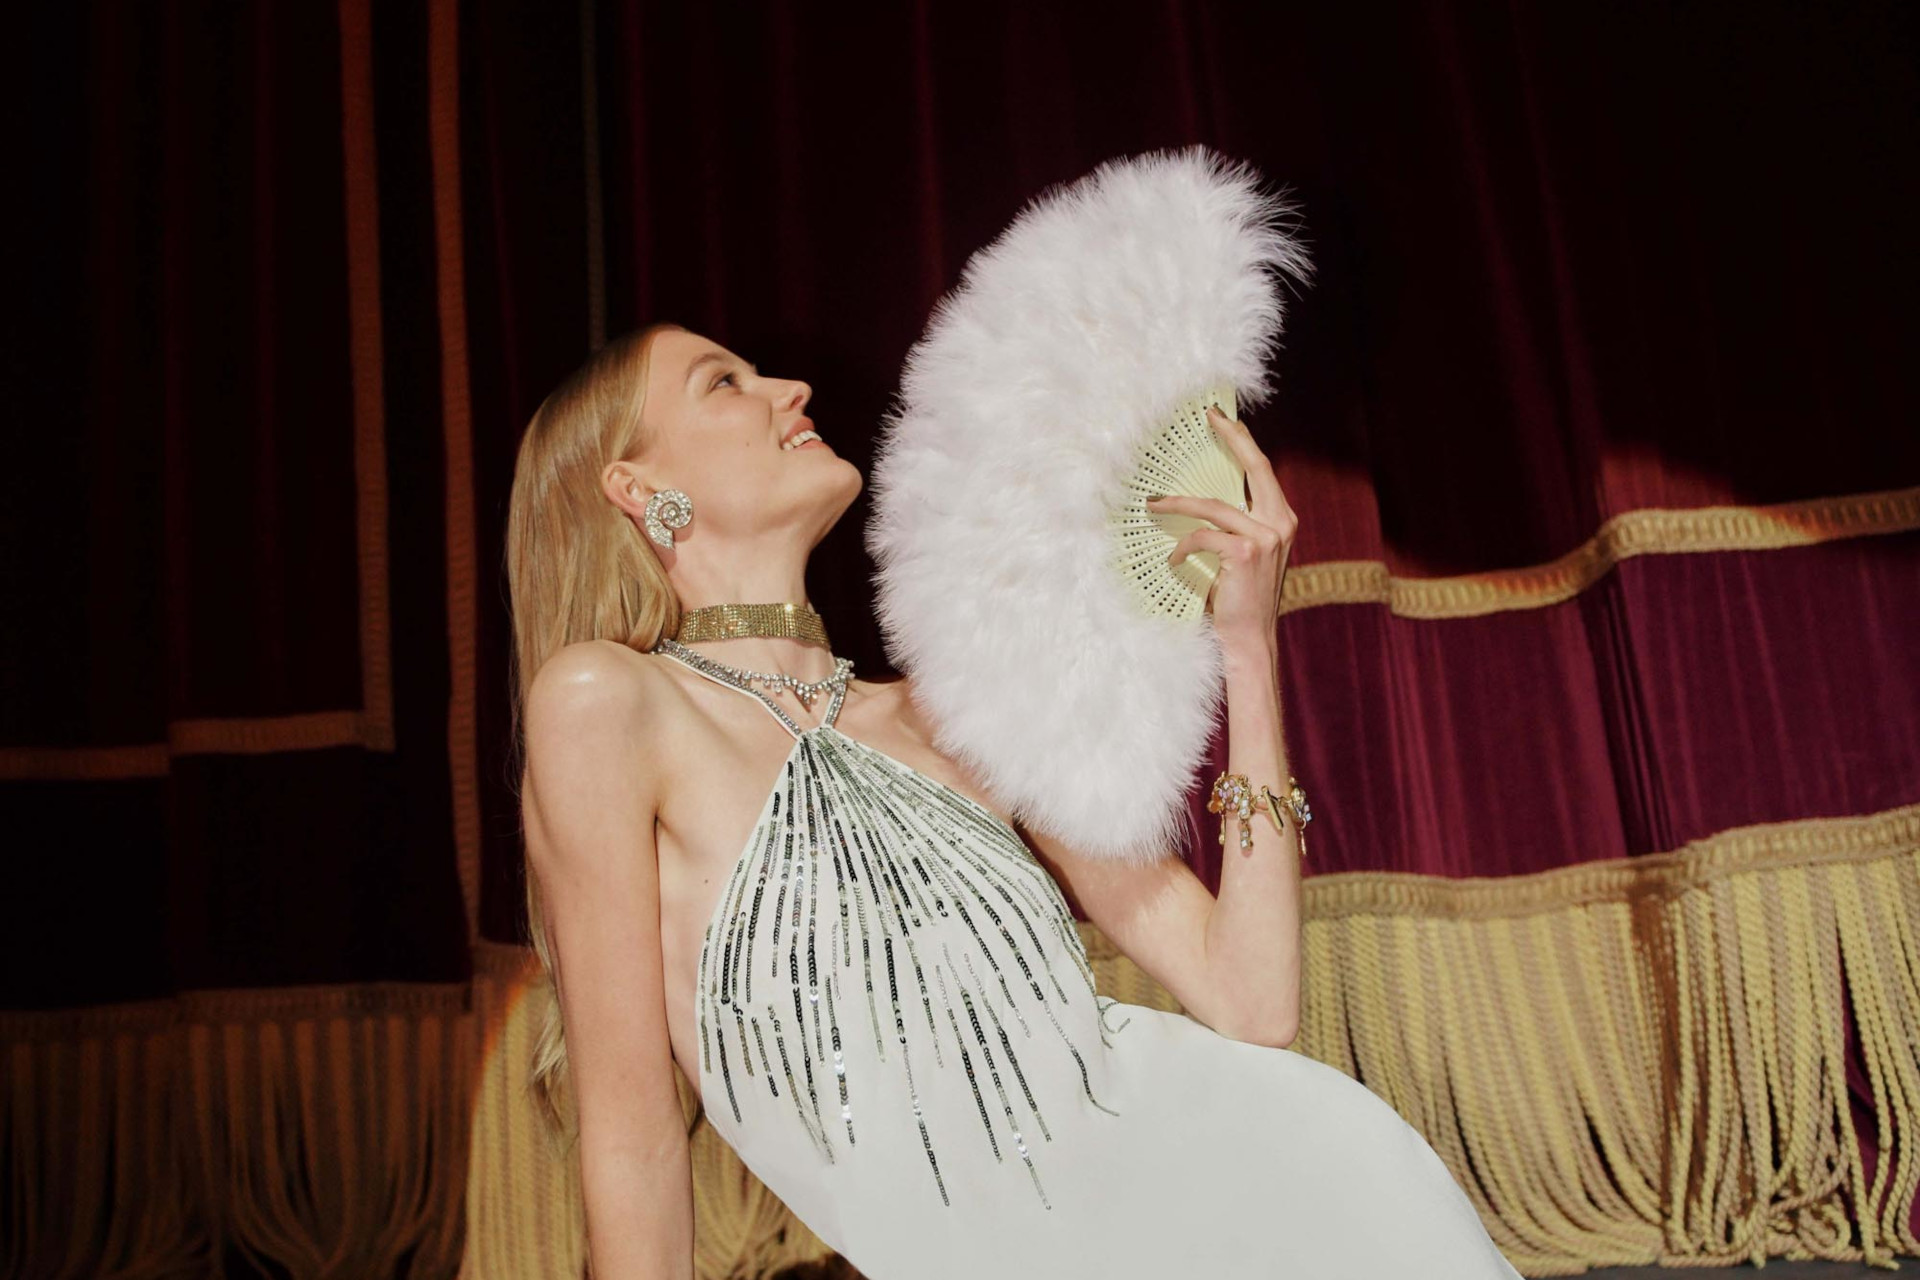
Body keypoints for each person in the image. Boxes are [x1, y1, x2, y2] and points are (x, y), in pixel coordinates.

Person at [504, 322, 1526, 1280]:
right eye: (723, 382)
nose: (790, 388)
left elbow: (1252, 1002)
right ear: (636, 485)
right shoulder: (605, 704)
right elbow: (631, 1134)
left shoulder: (956, 706)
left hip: (1286, 1194)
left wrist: (1248, 649)